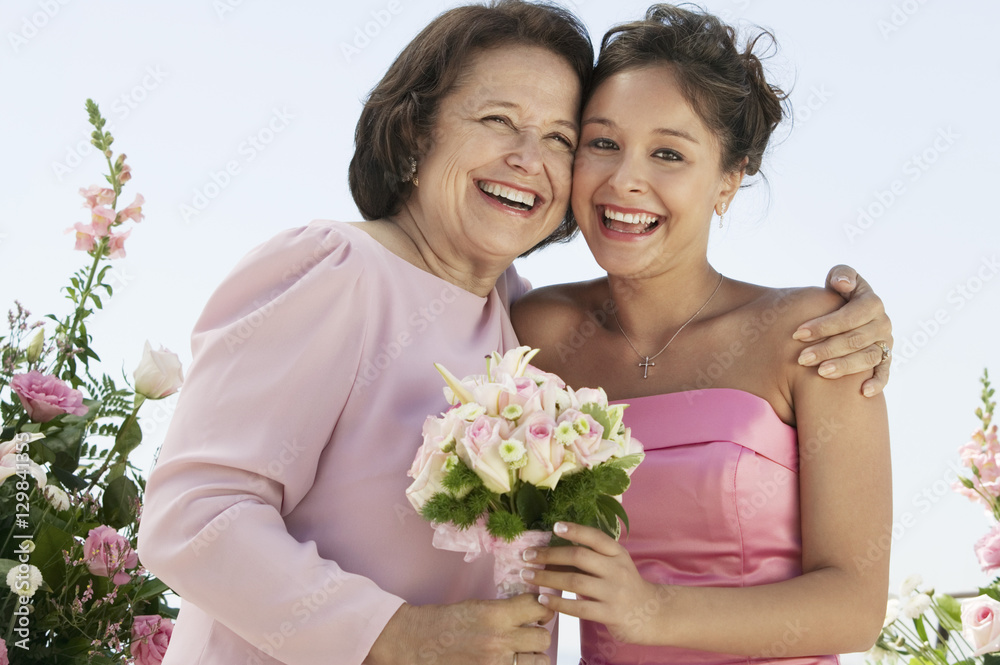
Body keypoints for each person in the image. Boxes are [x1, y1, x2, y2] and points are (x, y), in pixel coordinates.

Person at [137, 2, 891, 664]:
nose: (530, 160)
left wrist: (864, 314)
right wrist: (397, 635)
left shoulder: (510, 314)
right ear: (414, 131)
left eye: (560, 136)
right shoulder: (342, 270)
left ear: (730, 178)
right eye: (498, 120)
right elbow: (192, 517)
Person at [512, 5, 891, 664]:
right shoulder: (536, 333)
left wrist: (649, 608)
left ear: (728, 179)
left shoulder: (813, 334)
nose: (626, 178)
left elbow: (854, 607)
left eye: (668, 153)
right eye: (602, 142)